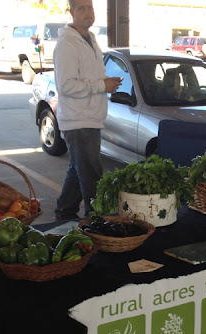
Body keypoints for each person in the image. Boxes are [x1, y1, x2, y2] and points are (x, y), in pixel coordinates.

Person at [53, 0, 121, 220]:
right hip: (78, 121)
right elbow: (66, 85)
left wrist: (104, 82)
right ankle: (97, 222)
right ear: (71, 12)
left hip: (90, 118)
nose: (87, 12)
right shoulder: (67, 44)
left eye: (90, 7)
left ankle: (64, 213)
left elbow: (86, 78)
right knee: (91, 175)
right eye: (81, 8)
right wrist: (102, 85)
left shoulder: (90, 39)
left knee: (78, 170)